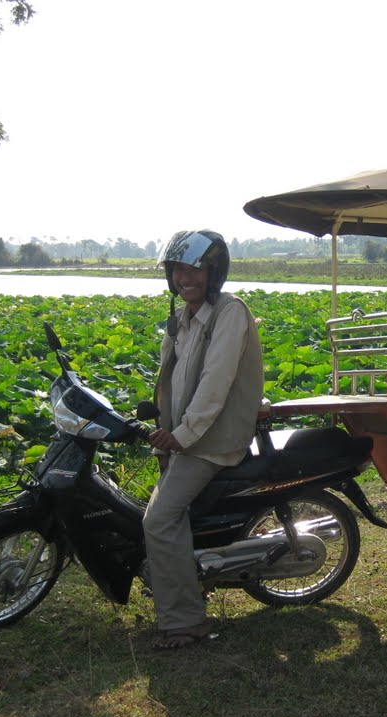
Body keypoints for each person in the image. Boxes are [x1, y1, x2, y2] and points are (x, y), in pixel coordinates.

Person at [143, 229, 264, 650]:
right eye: (177, 270)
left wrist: (182, 434)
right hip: (182, 437)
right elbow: (169, 376)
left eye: (195, 268)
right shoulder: (184, 318)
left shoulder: (229, 313)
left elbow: (215, 383)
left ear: (214, 272)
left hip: (211, 440)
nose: (184, 278)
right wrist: (157, 422)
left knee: (159, 520)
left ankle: (185, 621)